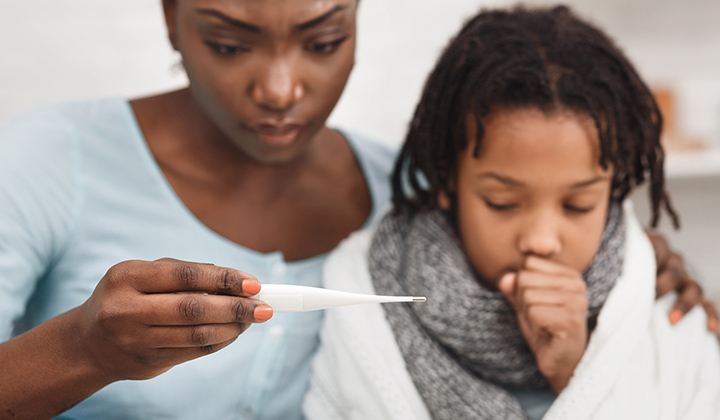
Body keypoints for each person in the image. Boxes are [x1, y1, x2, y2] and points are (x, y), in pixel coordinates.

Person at [0, 1, 713, 419]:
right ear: (168, 18)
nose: (280, 88)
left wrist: (634, 270)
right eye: (228, 43)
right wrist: (82, 351)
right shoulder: (47, 160)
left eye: (323, 42)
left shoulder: (404, 197)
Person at [303, 5, 720, 420]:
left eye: (578, 205)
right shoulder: (362, 296)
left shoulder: (663, 303)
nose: (541, 239)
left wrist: (574, 371)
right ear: (447, 181)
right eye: (502, 203)